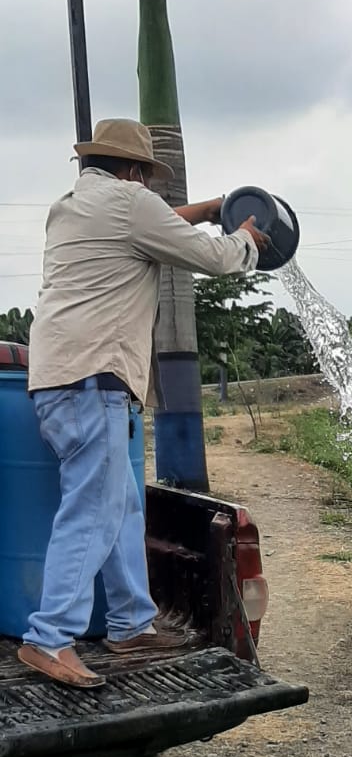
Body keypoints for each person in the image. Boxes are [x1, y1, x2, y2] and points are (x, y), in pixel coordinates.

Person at [18, 118, 270, 690]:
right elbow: (213, 257)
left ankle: (131, 621)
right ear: (134, 171)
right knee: (93, 510)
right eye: (146, 178)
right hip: (94, 382)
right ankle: (49, 637)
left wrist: (210, 208)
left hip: (57, 380)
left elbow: (154, 224)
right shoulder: (132, 205)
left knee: (123, 505)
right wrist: (243, 239)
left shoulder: (70, 208)